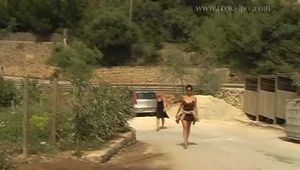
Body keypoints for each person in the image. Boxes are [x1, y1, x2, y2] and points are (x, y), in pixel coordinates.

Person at [175, 84, 199, 149]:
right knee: (185, 127)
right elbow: (180, 106)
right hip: (184, 114)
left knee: (188, 128)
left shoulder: (194, 98)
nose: (189, 91)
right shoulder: (183, 97)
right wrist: (177, 114)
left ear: (192, 90)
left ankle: (187, 139)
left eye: (190, 90)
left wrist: (196, 115)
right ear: (186, 90)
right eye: (187, 90)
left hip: (191, 114)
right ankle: (185, 142)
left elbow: (195, 107)